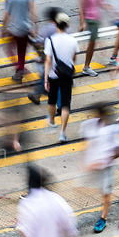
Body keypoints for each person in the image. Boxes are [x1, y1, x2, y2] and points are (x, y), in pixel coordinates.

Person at [80, 105, 119, 233]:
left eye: (98, 115)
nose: (96, 118)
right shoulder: (93, 127)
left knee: (106, 193)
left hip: (106, 167)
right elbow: (89, 144)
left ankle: (103, 219)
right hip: (95, 166)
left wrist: (106, 159)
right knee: (93, 190)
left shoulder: (112, 130)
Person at [44, 12, 79, 142]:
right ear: (67, 25)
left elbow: (48, 61)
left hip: (54, 74)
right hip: (67, 75)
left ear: (56, 24)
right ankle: (62, 133)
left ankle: (52, 122)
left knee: (52, 100)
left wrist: (46, 78)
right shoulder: (73, 40)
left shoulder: (50, 40)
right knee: (65, 104)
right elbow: (74, 58)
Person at [1, 0, 36, 83]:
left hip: (15, 29)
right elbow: (33, 12)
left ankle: (20, 69)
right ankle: (19, 70)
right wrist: (33, 27)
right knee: (22, 52)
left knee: (8, 48)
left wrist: (3, 28)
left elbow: (7, 14)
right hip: (26, 28)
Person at [78, 0, 105, 77]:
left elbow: (99, 2)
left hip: (95, 18)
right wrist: (82, 22)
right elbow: (81, 6)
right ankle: (86, 67)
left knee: (92, 43)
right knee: (92, 43)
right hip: (90, 19)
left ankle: (86, 66)